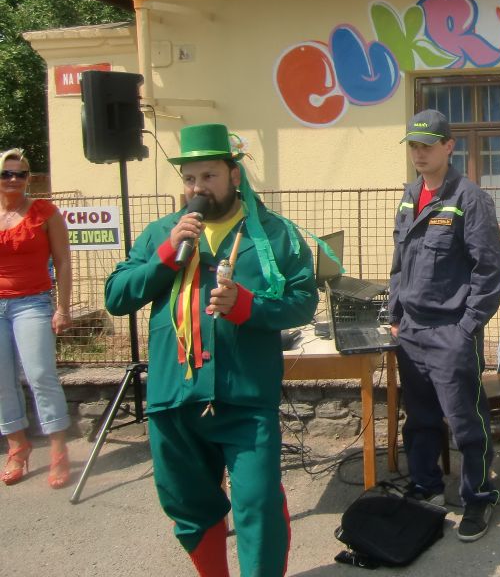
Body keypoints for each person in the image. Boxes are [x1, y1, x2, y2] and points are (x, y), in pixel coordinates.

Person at [105, 123, 317, 577]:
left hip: (246, 398)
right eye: (189, 178)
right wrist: (166, 254)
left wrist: (248, 307)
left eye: (208, 176)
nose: (197, 187)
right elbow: (117, 296)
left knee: (258, 502)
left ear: (234, 176)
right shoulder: (162, 233)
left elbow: (303, 301)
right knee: (189, 507)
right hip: (174, 398)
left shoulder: (275, 233)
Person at [388, 109, 500, 542]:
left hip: (451, 331)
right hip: (411, 331)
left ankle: (478, 496)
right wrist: (394, 316)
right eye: (413, 146)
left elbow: (489, 270)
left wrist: (466, 327)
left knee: (465, 420)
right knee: (419, 419)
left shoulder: (469, 198)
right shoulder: (410, 195)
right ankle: (426, 487)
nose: (419, 153)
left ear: (448, 146)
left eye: (427, 145)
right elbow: (400, 263)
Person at [0, 148, 72, 489]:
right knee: (1, 380)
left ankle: (58, 448)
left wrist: (63, 307)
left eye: (21, 174)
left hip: (32, 303)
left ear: (29, 178)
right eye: (6, 173)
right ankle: (18, 446)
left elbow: (63, 261)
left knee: (41, 374)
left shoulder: (45, 212)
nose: (14, 179)